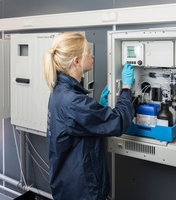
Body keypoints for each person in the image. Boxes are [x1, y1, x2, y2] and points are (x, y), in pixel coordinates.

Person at [43, 32, 135, 200]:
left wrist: (99, 107)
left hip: (68, 184)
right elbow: (118, 121)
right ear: (76, 61)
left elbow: (80, 125)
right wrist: (127, 88)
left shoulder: (60, 92)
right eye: (88, 52)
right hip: (82, 191)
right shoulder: (73, 102)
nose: (92, 55)